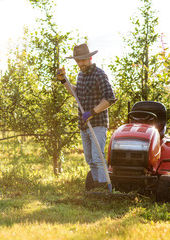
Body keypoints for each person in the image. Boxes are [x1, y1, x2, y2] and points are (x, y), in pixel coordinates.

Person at [57, 43, 116, 189]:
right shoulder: (80, 76)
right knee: (89, 159)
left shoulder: (99, 74)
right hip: (83, 124)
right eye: (78, 61)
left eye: (83, 60)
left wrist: (93, 112)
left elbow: (110, 98)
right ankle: (96, 187)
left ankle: (105, 187)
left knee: (97, 157)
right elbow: (76, 93)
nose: (80, 63)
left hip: (97, 123)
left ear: (90, 58)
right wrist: (64, 80)